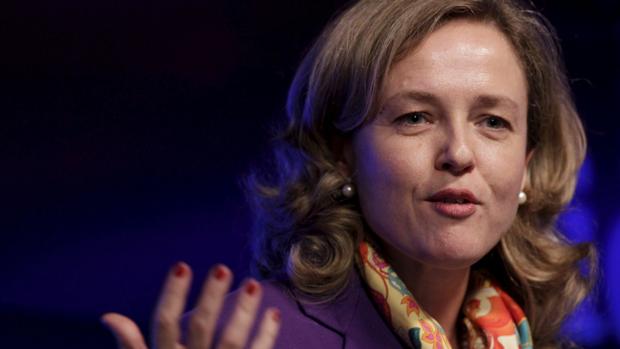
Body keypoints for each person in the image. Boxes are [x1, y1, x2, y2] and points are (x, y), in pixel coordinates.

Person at [101, 0, 597, 348]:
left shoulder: (531, 341)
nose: (459, 153)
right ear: (343, 154)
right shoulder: (243, 337)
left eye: (493, 122)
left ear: (525, 165)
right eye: (415, 117)